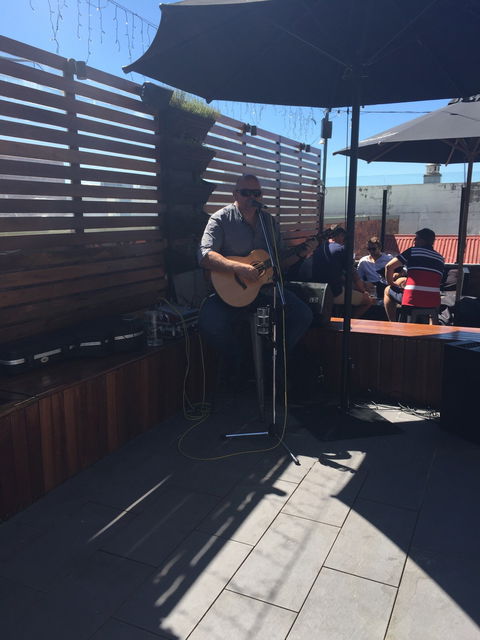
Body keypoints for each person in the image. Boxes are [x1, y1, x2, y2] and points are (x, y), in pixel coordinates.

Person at [198, 174, 317, 386]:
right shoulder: (220, 219)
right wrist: (238, 267)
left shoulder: (268, 222)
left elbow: (279, 261)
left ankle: (271, 361)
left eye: (256, 193)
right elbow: (205, 256)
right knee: (210, 322)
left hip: (264, 290)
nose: (252, 197)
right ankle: (241, 362)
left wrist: (300, 253)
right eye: (246, 193)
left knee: (302, 315)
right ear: (235, 194)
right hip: (230, 293)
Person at [298, 226, 374, 318]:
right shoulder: (341, 250)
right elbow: (354, 275)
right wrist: (364, 291)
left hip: (316, 290)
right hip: (333, 293)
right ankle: (348, 322)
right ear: (341, 236)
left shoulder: (320, 248)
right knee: (368, 301)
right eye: (344, 237)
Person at [383, 228, 445, 322]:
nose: (414, 241)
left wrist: (391, 282)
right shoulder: (440, 258)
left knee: (387, 290)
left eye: (416, 239)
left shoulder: (412, 251)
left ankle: (392, 324)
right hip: (433, 302)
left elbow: (389, 266)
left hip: (412, 299)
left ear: (422, 241)